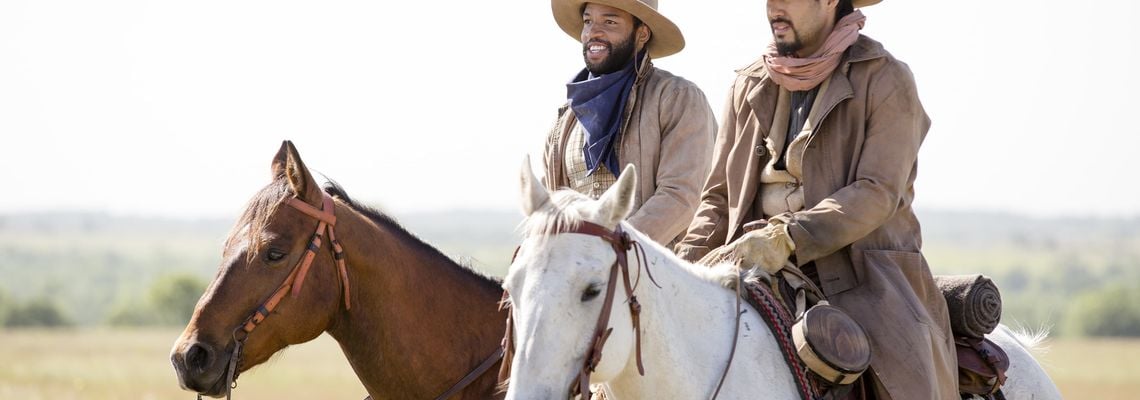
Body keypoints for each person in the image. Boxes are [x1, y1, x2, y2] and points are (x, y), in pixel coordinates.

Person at [674, 0, 958, 398]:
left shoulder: (887, 78)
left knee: (903, 382)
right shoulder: (748, 82)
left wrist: (788, 237)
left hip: (862, 276)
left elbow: (877, 191)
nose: (773, 7)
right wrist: (679, 266)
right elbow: (718, 198)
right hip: (749, 264)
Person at [544, 0, 716, 245]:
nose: (594, 31)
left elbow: (681, 197)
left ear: (642, 33)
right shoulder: (565, 120)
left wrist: (612, 249)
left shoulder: (677, 97)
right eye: (588, 21)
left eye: (610, 22)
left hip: (661, 272)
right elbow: (551, 205)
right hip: (580, 274)